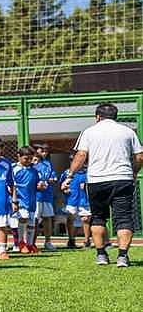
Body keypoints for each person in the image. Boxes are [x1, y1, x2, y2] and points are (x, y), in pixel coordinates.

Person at [62, 103, 143, 267]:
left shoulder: (89, 132)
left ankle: (101, 255)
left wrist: (69, 176)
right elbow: (140, 157)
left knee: (98, 217)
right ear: (116, 116)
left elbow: (81, 155)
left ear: (97, 117)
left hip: (96, 180)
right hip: (122, 179)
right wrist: (133, 172)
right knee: (124, 219)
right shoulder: (127, 131)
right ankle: (122, 256)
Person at [11, 146, 44, 254]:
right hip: (20, 200)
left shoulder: (34, 170)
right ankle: (21, 242)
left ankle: (30, 244)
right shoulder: (14, 169)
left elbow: (37, 184)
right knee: (23, 218)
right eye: (26, 158)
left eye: (30, 158)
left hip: (32, 200)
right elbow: (12, 186)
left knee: (31, 222)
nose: (29, 161)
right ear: (19, 157)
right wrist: (14, 200)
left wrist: (40, 186)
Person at [60, 152, 91, 249]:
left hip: (84, 200)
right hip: (72, 199)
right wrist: (65, 189)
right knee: (70, 218)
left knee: (85, 219)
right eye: (72, 161)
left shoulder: (87, 173)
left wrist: (86, 186)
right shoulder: (67, 173)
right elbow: (61, 185)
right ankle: (71, 240)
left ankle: (87, 240)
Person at [33, 143, 58, 251]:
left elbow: (53, 176)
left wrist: (52, 180)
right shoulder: (32, 163)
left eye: (46, 151)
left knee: (47, 218)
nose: (44, 153)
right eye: (42, 150)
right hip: (36, 196)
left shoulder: (48, 164)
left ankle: (48, 242)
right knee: (34, 220)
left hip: (47, 195)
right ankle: (31, 242)